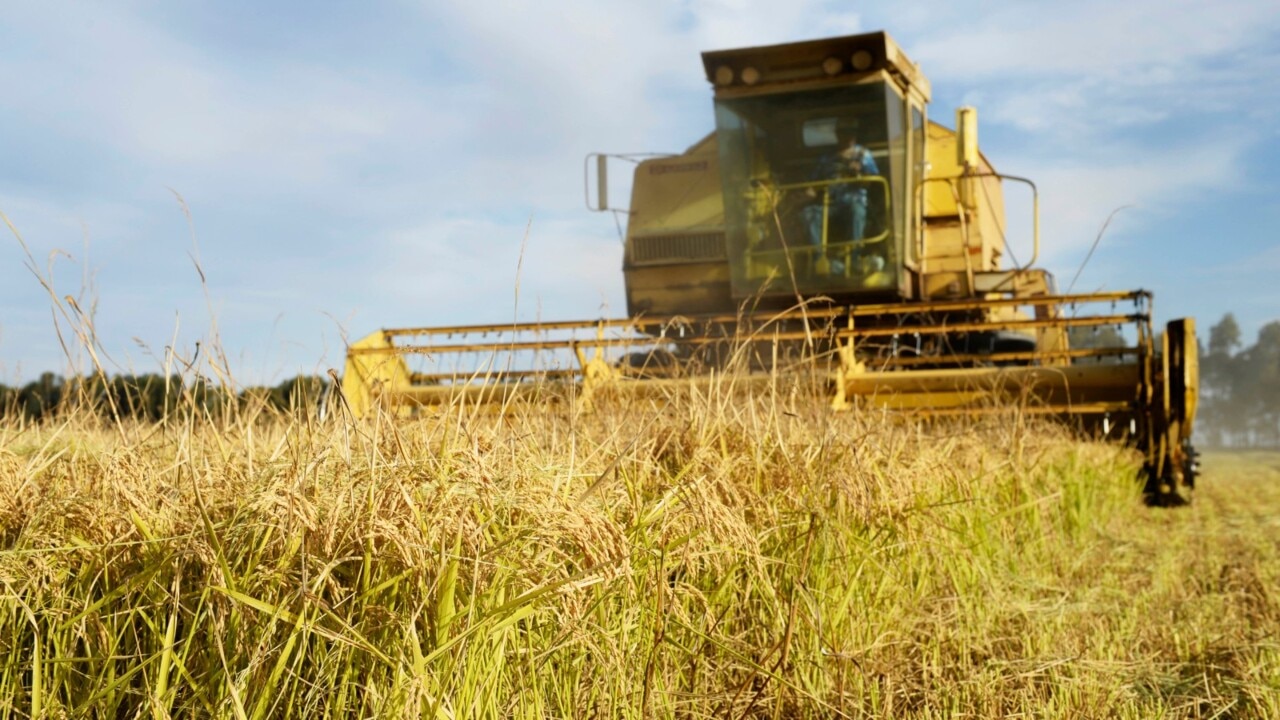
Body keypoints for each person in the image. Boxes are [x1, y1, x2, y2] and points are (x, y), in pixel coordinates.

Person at [802, 128, 880, 274]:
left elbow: (873, 181)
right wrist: (810, 191)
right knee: (809, 213)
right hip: (829, 203)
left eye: (849, 132)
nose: (847, 136)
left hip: (854, 200)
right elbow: (814, 183)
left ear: (854, 135)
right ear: (837, 134)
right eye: (843, 132)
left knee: (856, 211)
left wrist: (860, 173)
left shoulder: (863, 154)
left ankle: (854, 258)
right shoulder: (826, 158)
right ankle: (820, 260)